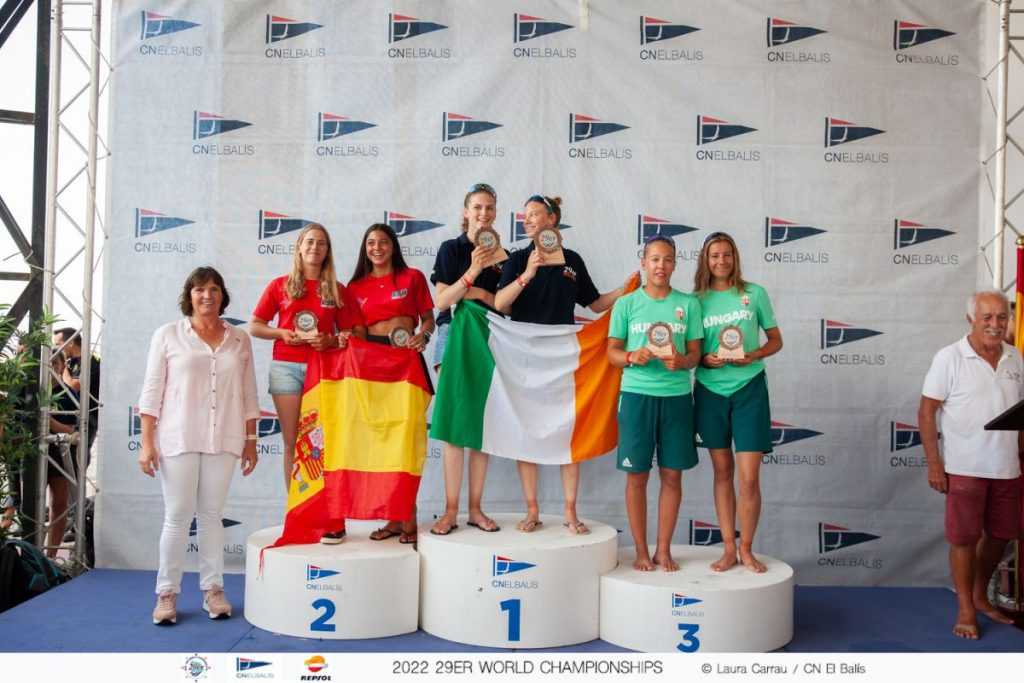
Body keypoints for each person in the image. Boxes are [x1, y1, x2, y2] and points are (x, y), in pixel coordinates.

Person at [494, 194, 631, 534]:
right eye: (525, 215)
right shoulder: (517, 258)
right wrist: (528, 272)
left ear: (552, 219)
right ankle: (532, 510)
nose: (528, 220)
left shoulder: (572, 261)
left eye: (534, 214)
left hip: (563, 357)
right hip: (524, 356)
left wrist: (626, 289)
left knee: (569, 430)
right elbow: (500, 303)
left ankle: (570, 511)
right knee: (525, 431)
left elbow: (596, 304)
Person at [138, 267, 260, 625]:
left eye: (214, 289)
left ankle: (213, 590)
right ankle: (167, 594)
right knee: (177, 517)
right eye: (200, 289)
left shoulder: (239, 339)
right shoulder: (168, 335)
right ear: (189, 295)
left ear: (223, 295)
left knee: (211, 516)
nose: (207, 295)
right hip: (178, 437)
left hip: (225, 438)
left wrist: (251, 441)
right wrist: (146, 443)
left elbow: (249, 393)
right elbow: (151, 392)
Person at [250, 223, 365, 544]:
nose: (315, 247)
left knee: (324, 445)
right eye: (310, 242)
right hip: (286, 369)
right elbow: (255, 325)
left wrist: (332, 340)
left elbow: (356, 332)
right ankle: (299, 513)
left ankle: (331, 517)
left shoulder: (336, 289)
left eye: (321, 243)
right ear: (299, 247)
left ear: (327, 251)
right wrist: (281, 333)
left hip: (325, 370)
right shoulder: (280, 286)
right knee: (293, 443)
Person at [919, 290, 1022, 640]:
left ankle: (979, 595)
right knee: (963, 540)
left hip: (1008, 468)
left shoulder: (1016, 357)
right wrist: (935, 464)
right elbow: (926, 412)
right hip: (964, 468)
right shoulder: (949, 357)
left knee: (1001, 534)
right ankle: (965, 608)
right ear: (971, 319)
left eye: (1002, 317)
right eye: (987, 317)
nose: (996, 324)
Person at [607, 235, 702, 571]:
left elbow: (695, 354)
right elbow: (612, 353)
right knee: (637, 477)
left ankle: (663, 549)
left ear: (675, 264)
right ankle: (641, 551)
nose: (661, 265)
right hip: (636, 397)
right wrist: (631, 355)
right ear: (644, 263)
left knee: (672, 476)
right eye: (655, 259)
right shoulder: (626, 304)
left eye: (668, 259)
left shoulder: (688, 304)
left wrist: (683, 361)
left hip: (676, 399)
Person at [692, 232, 782, 573]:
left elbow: (775, 340)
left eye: (726, 254)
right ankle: (728, 548)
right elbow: (691, 351)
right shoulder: (695, 301)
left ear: (735, 257)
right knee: (722, 472)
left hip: (749, 390)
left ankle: (746, 548)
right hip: (710, 391)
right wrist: (705, 360)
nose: (721, 261)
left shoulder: (754, 294)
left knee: (749, 479)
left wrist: (754, 355)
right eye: (714, 255)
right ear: (706, 259)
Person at [348, 222, 435, 543]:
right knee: (381, 445)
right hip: (371, 368)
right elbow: (356, 333)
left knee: (405, 443)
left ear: (393, 245)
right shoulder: (355, 287)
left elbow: (428, 319)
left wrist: (423, 335)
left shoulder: (412, 277)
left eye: (383, 242)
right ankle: (393, 518)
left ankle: (407, 516)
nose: (377, 248)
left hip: (406, 364)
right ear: (365, 248)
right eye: (371, 243)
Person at [428, 183, 503, 535]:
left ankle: (475, 509)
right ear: (466, 212)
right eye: (477, 207)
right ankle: (450, 511)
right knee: (455, 428)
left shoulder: (503, 256)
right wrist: (472, 273)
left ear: (496, 213)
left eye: (489, 208)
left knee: (480, 426)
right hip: (452, 335)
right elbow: (442, 302)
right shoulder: (450, 249)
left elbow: (503, 304)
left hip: (489, 339)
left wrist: (476, 292)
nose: (483, 213)